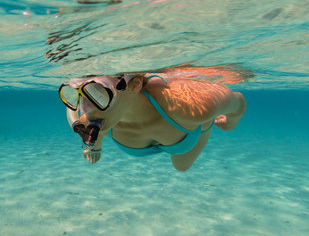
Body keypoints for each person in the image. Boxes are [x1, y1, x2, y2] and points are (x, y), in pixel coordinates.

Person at [60, 71, 246, 171]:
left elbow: (238, 101)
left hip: (185, 130)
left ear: (134, 84)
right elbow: (72, 110)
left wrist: (231, 123)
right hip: (170, 132)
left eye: (97, 93)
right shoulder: (91, 115)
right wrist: (95, 145)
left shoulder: (189, 107)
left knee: (182, 167)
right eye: (77, 96)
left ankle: (207, 127)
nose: (84, 114)